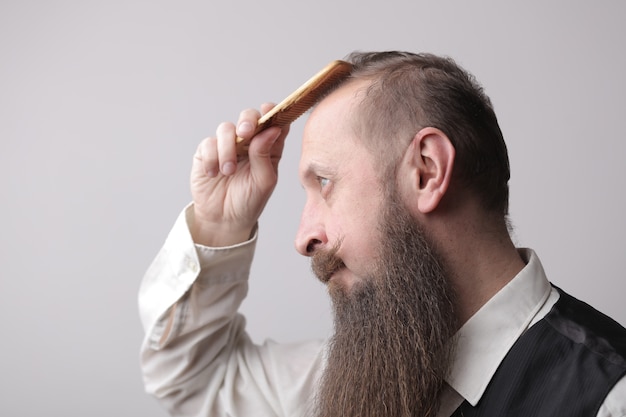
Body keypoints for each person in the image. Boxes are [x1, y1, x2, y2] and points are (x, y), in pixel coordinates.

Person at [138, 51, 626, 417]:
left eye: (324, 183)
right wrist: (222, 224)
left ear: (426, 171)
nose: (303, 238)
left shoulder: (608, 400)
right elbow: (195, 380)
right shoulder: (345, 380)